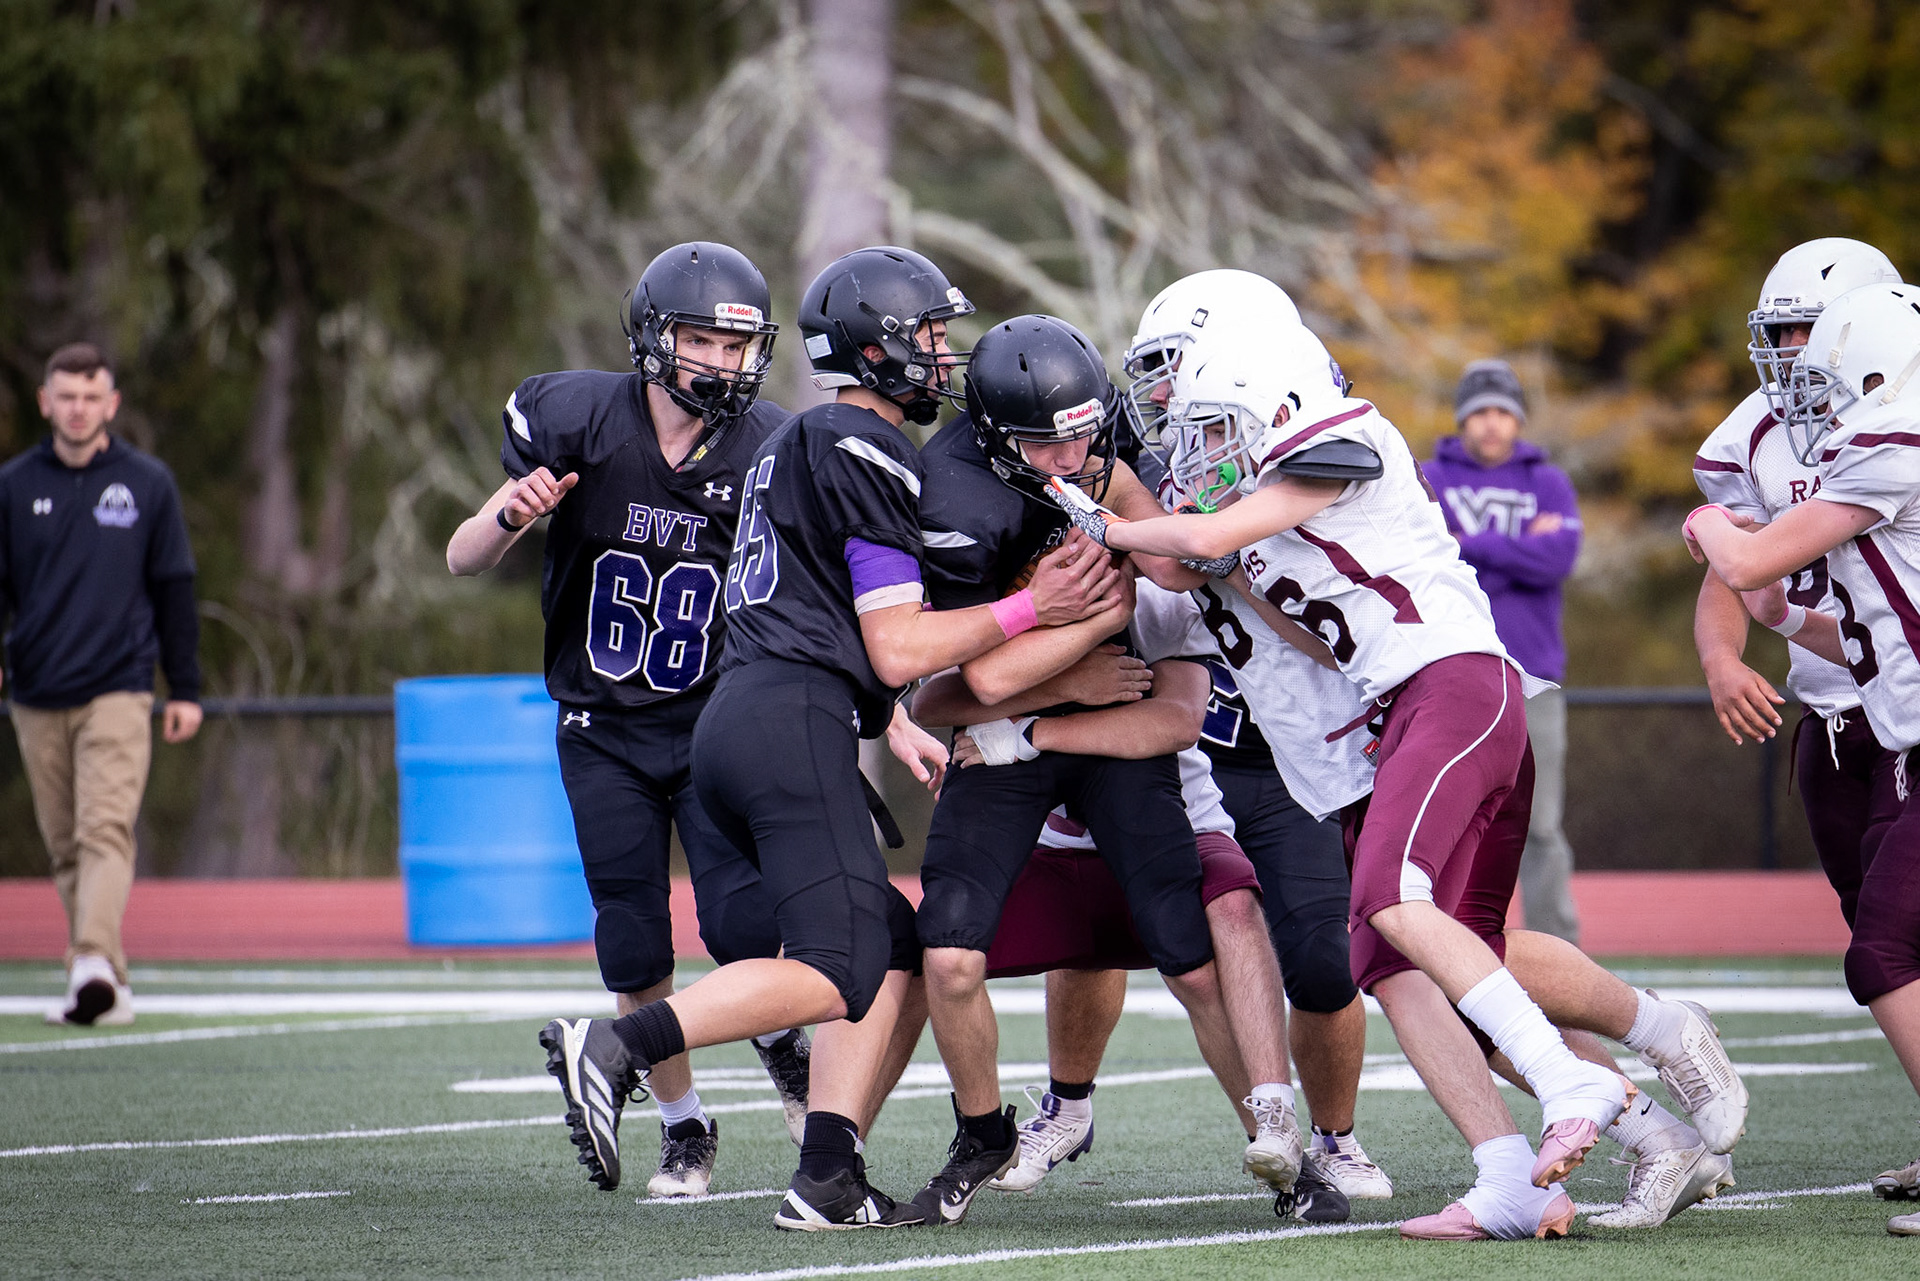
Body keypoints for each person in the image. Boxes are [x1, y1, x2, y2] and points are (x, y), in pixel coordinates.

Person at [1066, 319, 1740, 1240]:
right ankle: (1579, 1150)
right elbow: (1257, 599)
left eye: (1214, 419)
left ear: (1270, 393)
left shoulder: (1337, 437)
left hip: (1441, 691)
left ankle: (1611, 1055)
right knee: (1427, 959)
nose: (1199, 442)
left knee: (1402, 910)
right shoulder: (1242, 520)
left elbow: (1215, 534)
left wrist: (1117, 517)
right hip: (1367, 744)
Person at [536, 247, 1122, 1232]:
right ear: (878, 349)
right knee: (838, 964)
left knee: (891, 948)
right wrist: (1032, 606)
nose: (944, 358)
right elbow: (897, 646)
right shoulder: (861, 446)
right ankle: (618, 1043)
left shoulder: (789, 440)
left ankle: (828, 1175)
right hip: (790, 717)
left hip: (744, 714)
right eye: (929, 339)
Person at [907, 315, 1304, 1227]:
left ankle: (1280, 1138)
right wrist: (1082, 626)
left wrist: (1162, 560)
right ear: (1002, 437)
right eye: (1051, 440)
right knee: (947, 954)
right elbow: (956, 690)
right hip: (1001, 729)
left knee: (1197, 951)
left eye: (1088, 433)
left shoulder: (1101, 441)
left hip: (1088, 733)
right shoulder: (960, 503)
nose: (1075, 453)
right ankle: (980, 1130)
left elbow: (1169, 693)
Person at [447, 242, 812, 1197]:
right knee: (635, 943)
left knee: (744, 923)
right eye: (702, 341)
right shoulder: (578, 420)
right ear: (655, 340)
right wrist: (511, 514)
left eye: (738, 347)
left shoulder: (771, 445)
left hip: (713, 723)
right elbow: (461, 555)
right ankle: (685, 1126)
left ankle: (776, 1030)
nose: (723, 365)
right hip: (600, 725)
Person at [911, 577, 1364, 1224]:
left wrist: (1030, 729)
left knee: (1222, 921)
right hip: (1049, 830)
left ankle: (1276, 1125)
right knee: (939, 945)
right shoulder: (998, 580)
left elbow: (1177, 720)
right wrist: (1062, 687)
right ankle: (871, 1149)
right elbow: (934, 693)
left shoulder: (1153, 594)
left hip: (1170, 811)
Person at [1686, 279, 1920, 1238]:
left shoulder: (1893, 435)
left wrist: (1714, 536)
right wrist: (1771, 621)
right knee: (1890, 941)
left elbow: (1737, 560)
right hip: (1889, 730)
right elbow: (1855, 635)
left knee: (1887, 948)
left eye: (1817, 353)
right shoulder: (1818, 439)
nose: (1799, 377)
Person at [0, 342, 203, 1027]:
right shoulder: (13, 485)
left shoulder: (148, 483)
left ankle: (86, 957)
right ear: (46, 401)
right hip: (34, 691)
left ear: (111, 403)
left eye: (92, 396)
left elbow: (174, 586)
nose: (79, 408)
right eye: (67, 395)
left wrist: (185, 687)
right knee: (64, 845)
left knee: (104, 828)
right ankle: (106, 982)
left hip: (118, 687)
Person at [1423, 360, 1582, 943]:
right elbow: (1425, 561)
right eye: (1480, 412)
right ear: (1463, 419)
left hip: (1533, 677)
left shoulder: (1549, 482)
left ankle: (1559, 952)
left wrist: (1472, 544)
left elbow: (1558, 560)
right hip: (1445, 671)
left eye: (1503, 412)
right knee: (1444, 822)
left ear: (1517, 419)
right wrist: (1515, 545)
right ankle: (1440, 944)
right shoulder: (1427, 477)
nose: (1492, 424)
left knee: (1540, 826)